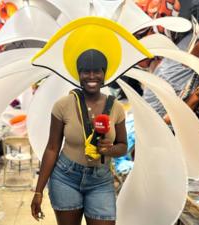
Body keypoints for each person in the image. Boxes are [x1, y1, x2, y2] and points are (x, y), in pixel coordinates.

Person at [31, 49, 128, 225]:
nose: (91, 76)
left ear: (104, 74)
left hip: (101, 181)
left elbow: (123, 146)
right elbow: (52, 148)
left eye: (97, 71)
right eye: (86, 71)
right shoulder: (62, 105)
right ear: (79, 74)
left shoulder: (116, 108)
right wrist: (38, 191)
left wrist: (109, 149)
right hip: (65, 178)